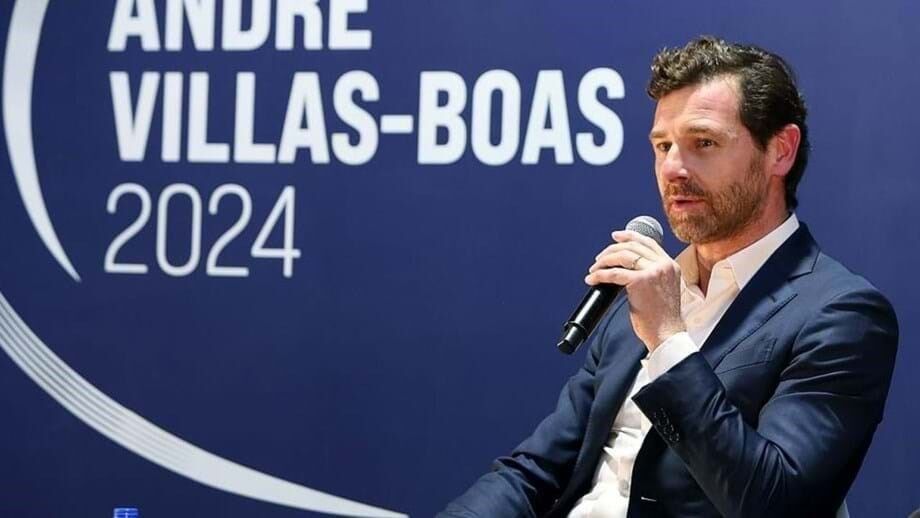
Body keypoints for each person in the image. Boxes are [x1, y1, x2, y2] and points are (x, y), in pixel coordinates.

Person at [438, 36, 898, 518]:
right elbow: (535, 472)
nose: (673, 168)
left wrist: (668, 339)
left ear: (780, 151)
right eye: (662, 146)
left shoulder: (840, 314)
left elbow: (774, 502)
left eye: (704, 143)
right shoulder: (642, 297)